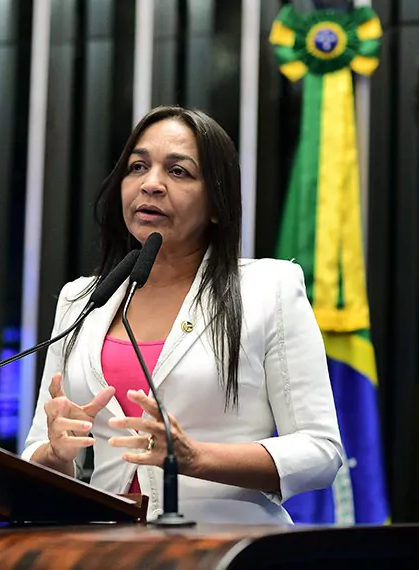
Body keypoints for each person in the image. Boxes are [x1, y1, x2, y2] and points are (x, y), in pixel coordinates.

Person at [22, 106, 344, 524]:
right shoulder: (82, 298)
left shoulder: (269, 290)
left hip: (228, 548)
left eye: (179, 172)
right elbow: (34, 452)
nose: (151, 184)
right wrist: (55, 452)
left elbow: (321, 451)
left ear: (216, 204)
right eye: (138, 166)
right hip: (102, 548)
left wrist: (194, 457)